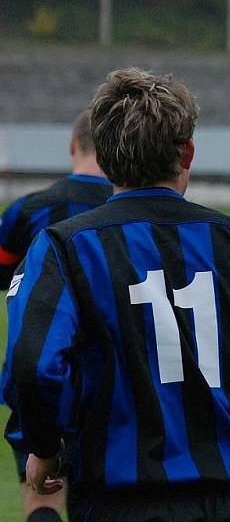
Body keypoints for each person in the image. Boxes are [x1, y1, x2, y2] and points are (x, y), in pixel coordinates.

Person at [3, 68, 230, 522]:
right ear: (188, 152)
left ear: (102, 158)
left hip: (121, 504)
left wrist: (47, 446)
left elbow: (34, 365)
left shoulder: (64, 247)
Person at [0, 109, 111, 522]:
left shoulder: (29, 211)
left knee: (42, 497)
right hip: (115, 378)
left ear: (72, 145)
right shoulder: (126, 210)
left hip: (37, 372)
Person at [0, 110, 112, 289]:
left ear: (72, 146)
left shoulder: (29, 209)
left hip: (47, 313)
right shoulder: (134, 209)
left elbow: (4, 268)